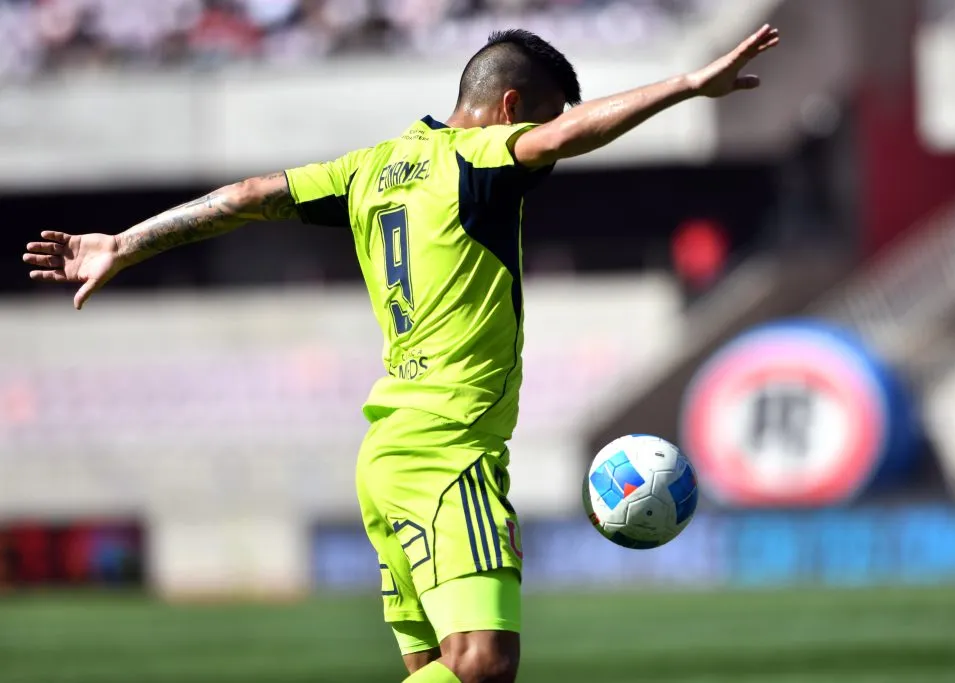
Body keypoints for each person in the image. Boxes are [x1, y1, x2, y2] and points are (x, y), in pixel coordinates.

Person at [23, 24, 780, 683]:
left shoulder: (370, 168)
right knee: (483, 664)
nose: (545, 145)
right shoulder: (479, 157)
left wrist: (126, 242)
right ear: (510, 107)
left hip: (387, 456)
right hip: (450, 451)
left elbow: (250, 193)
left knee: (437, 669)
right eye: (542, 117)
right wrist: (687, 85)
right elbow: (562, 138)